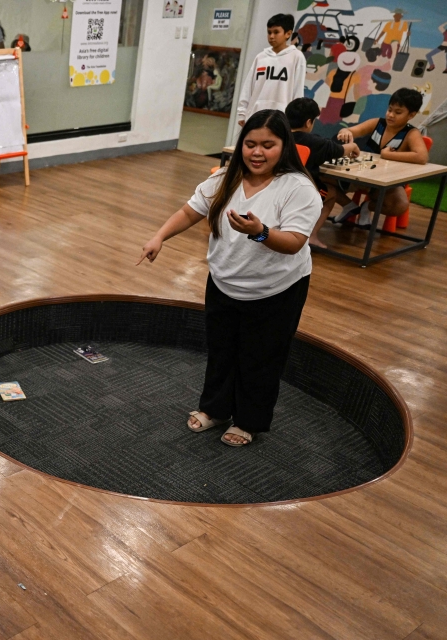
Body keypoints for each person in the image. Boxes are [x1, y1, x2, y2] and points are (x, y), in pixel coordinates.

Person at [138, 109, 322, 447]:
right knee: (222, 350)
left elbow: (295, 243)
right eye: (250, 143)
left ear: (285, 146)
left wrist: (261, 232)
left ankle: (249, 421)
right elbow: (189, 210)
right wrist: (159, 237)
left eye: (268, 144)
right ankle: (216, 409)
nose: (257, 152)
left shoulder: (298, 188)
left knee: (260, 357)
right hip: (224, 282)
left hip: (276, 290)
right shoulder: (225, 177)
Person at [331, 88, 429, 228]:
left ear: (411, 115)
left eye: (398, 112)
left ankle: (367, 207)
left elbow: (422, 157)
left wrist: (388, 154)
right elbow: (351, 130)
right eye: (389, 110)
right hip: (360, 175)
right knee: (322, 179)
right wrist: (345, 131)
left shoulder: (411, 133)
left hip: (386, 182)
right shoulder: (378, 123)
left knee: (399, 205)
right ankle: (349, 206)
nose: (391, 115)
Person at [285, 97, 360, 248]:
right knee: (330, 193)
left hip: (277, 187)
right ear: (308, 122)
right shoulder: (315, 142)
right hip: (299, 194)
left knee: (325, 185)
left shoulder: (278, 135)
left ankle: (350, 207)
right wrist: (353, 146)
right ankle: (311, 236)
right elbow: (340, 150)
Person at [235, 14, 305, 127]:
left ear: (288, 34)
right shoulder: (261, 57)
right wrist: (242, 112)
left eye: (276, 32)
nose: (271, 36)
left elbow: (298, 90)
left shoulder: (297, 57)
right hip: (255, 115)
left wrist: (294, 117)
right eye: (269, 32)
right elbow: (249, 86)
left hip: (282, 118)